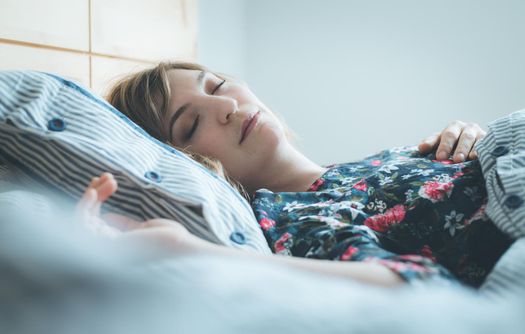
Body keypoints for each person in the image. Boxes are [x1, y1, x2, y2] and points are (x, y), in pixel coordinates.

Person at [88, 62, 516, 288]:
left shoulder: (370, 164)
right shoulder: (287, 220)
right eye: (191, 125)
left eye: (216, 87)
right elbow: (416, 285)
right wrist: (186, 250)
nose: (226, 108)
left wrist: (478, 141)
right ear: (183, 161)